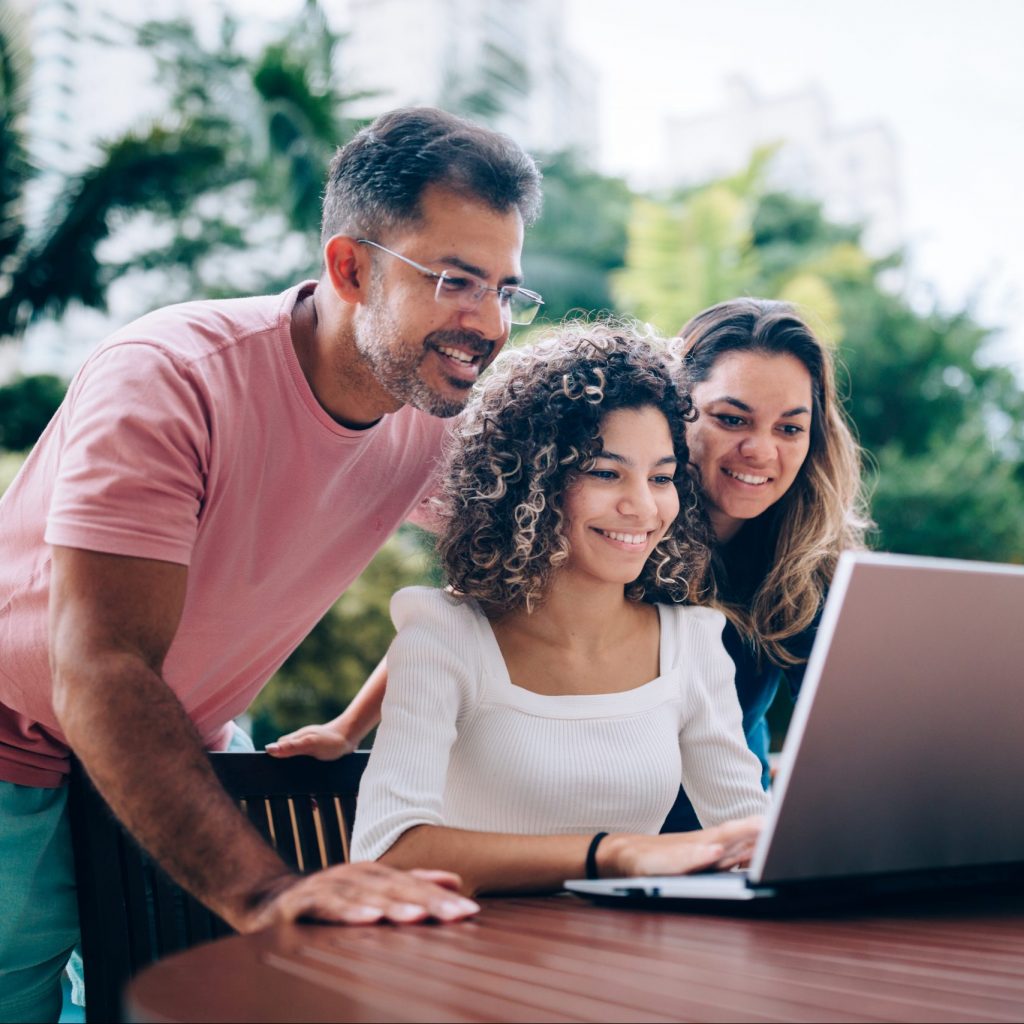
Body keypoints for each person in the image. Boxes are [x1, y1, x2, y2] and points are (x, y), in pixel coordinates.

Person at [0, 106, 543, 1021]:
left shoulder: (428, 420)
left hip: (187, 753)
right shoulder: (169, 375)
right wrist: (264, 892)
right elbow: (101, 666)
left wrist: (353, 723)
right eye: (456, 280)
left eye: (505, 290)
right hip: (17, 754)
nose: (487, 323)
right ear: (350, 266)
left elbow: (502, 583)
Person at [347, 324, 768, 894]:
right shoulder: (443, 636)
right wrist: (613, 855)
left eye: (662, 477)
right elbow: (387, 854)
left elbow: (746, 837)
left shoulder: (692, 644)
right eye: (604, 472)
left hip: (629, 965)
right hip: (465, 960)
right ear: (532, 483)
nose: (643, 506)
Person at [661, 297, 870, 831]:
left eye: (789, 428)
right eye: (732, 419)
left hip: (738, 843)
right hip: (605, 847)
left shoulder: (809, 560)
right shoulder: (613, 539)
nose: (761, 450)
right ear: (673, 410)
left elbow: (857, 742)